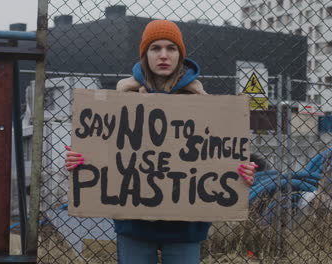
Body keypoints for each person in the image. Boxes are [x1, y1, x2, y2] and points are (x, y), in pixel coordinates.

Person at [65, 20, 257, 264]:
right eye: (156, 48)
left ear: (180, 55)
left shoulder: (205, 104)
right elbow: (104, 155)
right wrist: (79, 159)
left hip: (186, 227)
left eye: (171, 48)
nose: (164, 55)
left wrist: (242, 171)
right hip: (134, 224)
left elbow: (219, 159)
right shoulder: (120, 100)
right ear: (145, 54)